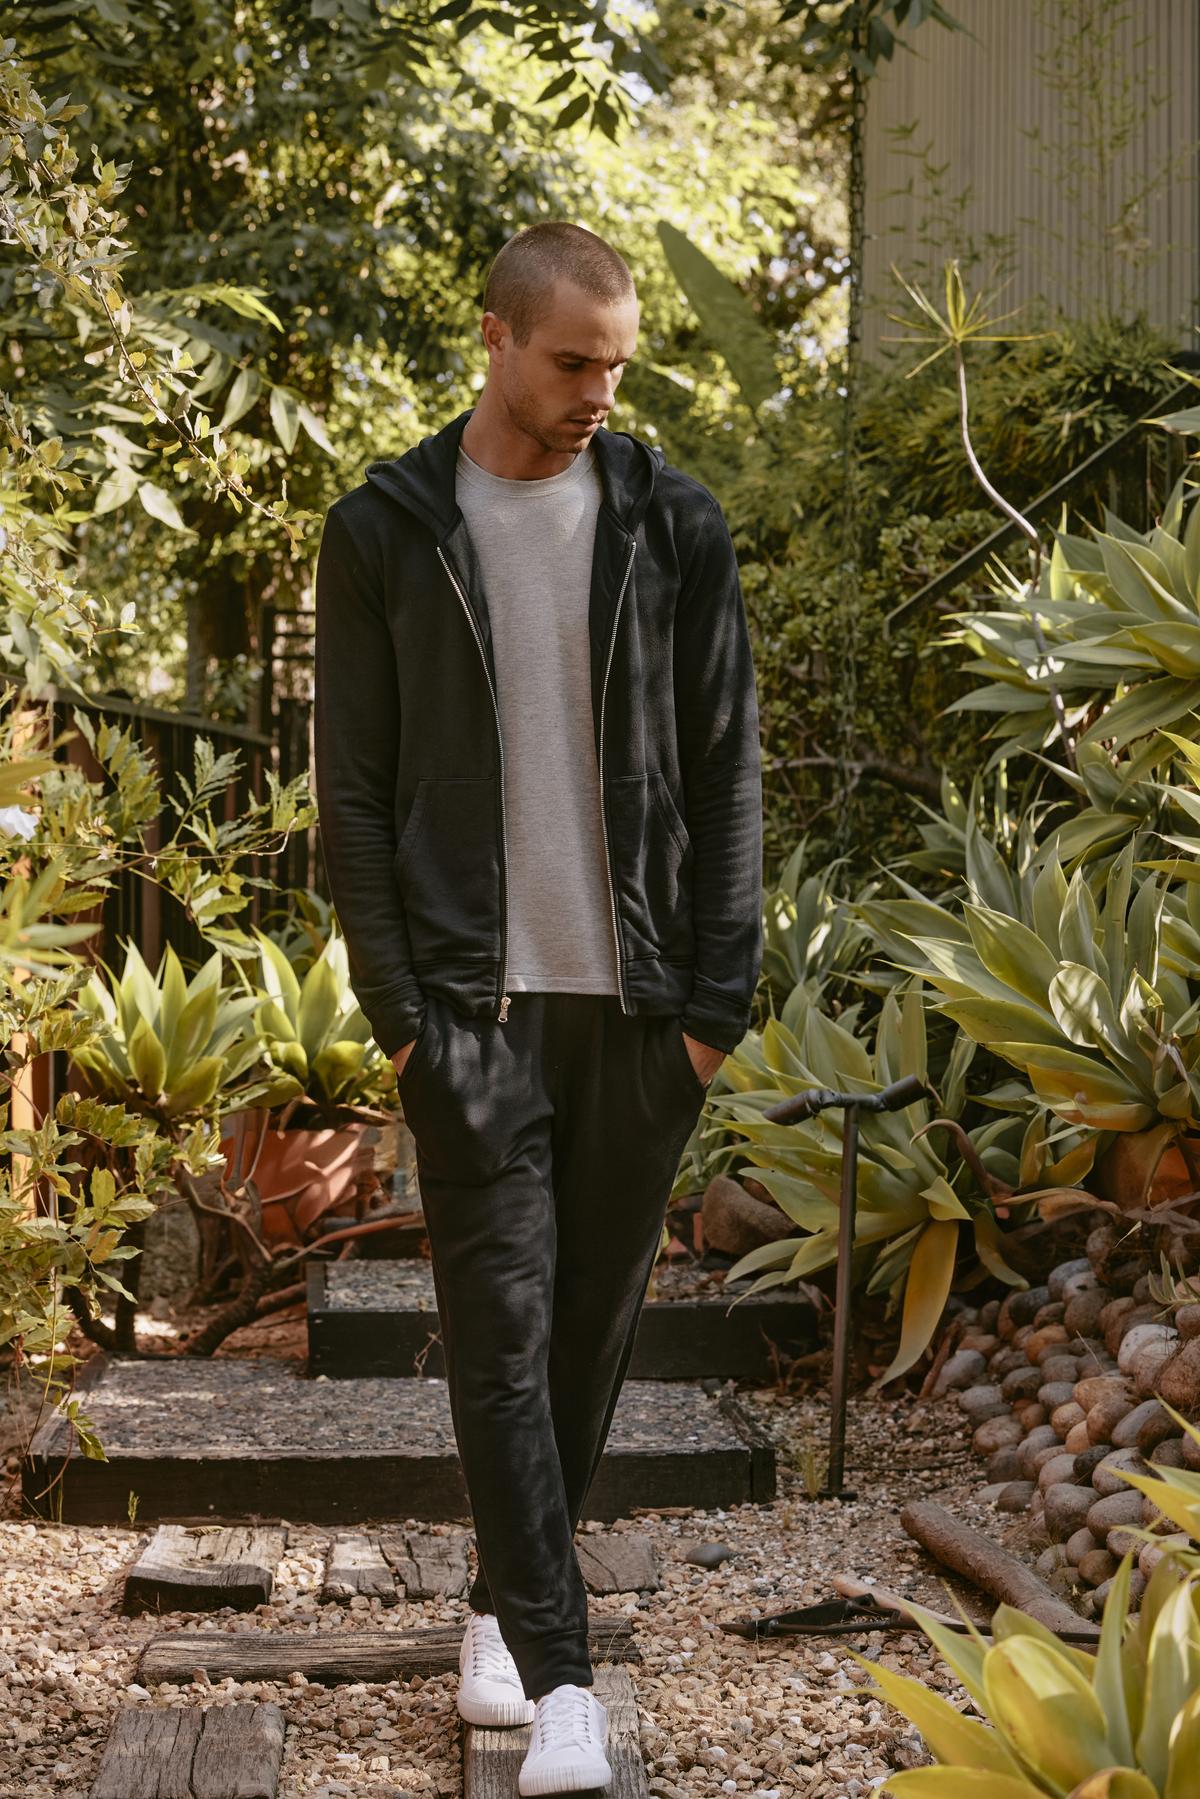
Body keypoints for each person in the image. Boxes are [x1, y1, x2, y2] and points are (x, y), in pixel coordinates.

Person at [314, 220, 763, 1794]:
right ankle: (565, 1683)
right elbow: (352, 801)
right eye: (573, 361)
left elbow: (727, 768)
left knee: (584, 1333)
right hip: (470, 1006)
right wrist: (398, 1017)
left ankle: (509, 1604)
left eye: (617, 366)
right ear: (495, 339)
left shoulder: (670, 521)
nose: (597, 391)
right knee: (502, 1335)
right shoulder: (385, 529)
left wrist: (717, 1008)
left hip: (639, 1010)